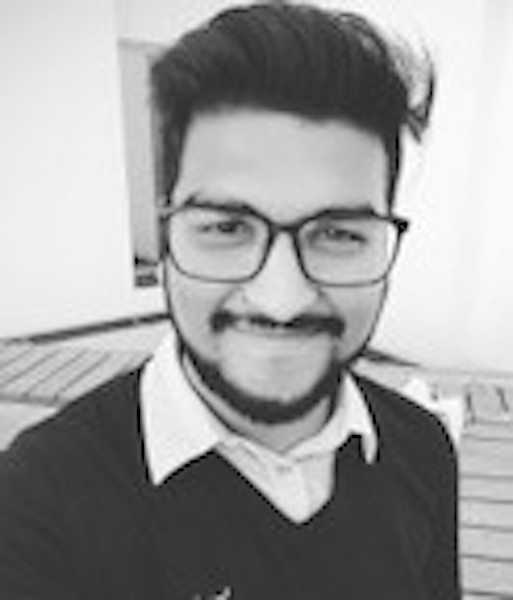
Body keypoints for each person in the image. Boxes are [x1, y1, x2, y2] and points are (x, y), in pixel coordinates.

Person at [0, 2, 460, 598]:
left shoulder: (423, 449)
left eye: (339, 234)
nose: (281, 300)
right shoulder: (35, 505)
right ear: (165, 236)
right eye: (227, 227)